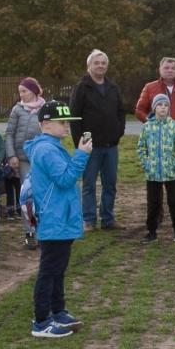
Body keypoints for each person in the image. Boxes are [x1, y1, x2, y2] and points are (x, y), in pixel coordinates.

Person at [25, 101, 92, 338]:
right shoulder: (47, 150)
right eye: (62, 122)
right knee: (49, 270)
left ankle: (57, 311)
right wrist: (81, 155)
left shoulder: (51, 146)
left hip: (59, 217)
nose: (66, 126)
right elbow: (65, 179)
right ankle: (42, 322)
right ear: (45, 124)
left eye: (67, 122)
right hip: (55, 218)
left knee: (57, 269)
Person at [69, 49, 125, 231]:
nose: (100, 66)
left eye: (103, 63)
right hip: (89, 146)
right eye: (97, 63)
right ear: (89, 66)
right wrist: (80, 143)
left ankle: (108, 219)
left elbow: (121, 112)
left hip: (111, 145)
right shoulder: (81, 87)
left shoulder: (113, 87)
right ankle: (89, 220)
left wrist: (118, 132)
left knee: (110, 184)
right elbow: (74, 117)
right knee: (89, 185)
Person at [137, 92, 175, 243]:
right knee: (153, 203)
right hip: (153, 173)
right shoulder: (147, 126)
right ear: (154, 108)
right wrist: (147, 164)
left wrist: (174, 164)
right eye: (159, 105)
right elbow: (141, 148)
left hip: (171, 173)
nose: (163, 107)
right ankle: (151, 232)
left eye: (166, 105)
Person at [6, 77, 44, 249]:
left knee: (41, 194)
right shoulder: (17, 109)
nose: (21, 95)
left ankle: (42, 232)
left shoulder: (44, 108)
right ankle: (29, 232)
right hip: (22, 159)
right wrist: (11, 155)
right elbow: (9, 134)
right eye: (20, 91)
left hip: (40, 158)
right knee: (27, 194)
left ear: (34, 91)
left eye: (24, 91)